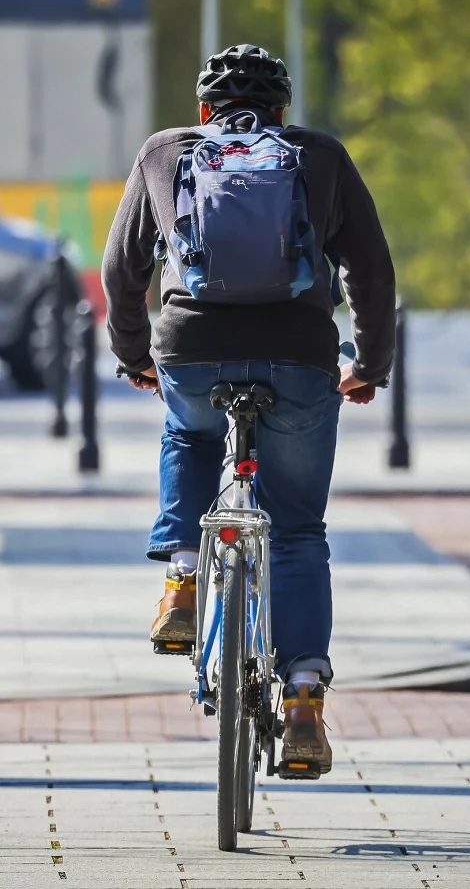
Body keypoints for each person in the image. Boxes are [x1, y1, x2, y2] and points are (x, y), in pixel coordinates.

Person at [102, 44, 396, 776]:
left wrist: (137, 353)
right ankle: (301, 703)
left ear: (204, 112)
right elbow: (372, 270)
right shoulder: (320, 157)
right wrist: (369, 363)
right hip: (298, 359)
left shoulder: (167, 153)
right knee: (296, 529)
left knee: (188, 431)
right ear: (283, 111)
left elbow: (122, 269)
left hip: (192, 350)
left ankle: (181, 578)